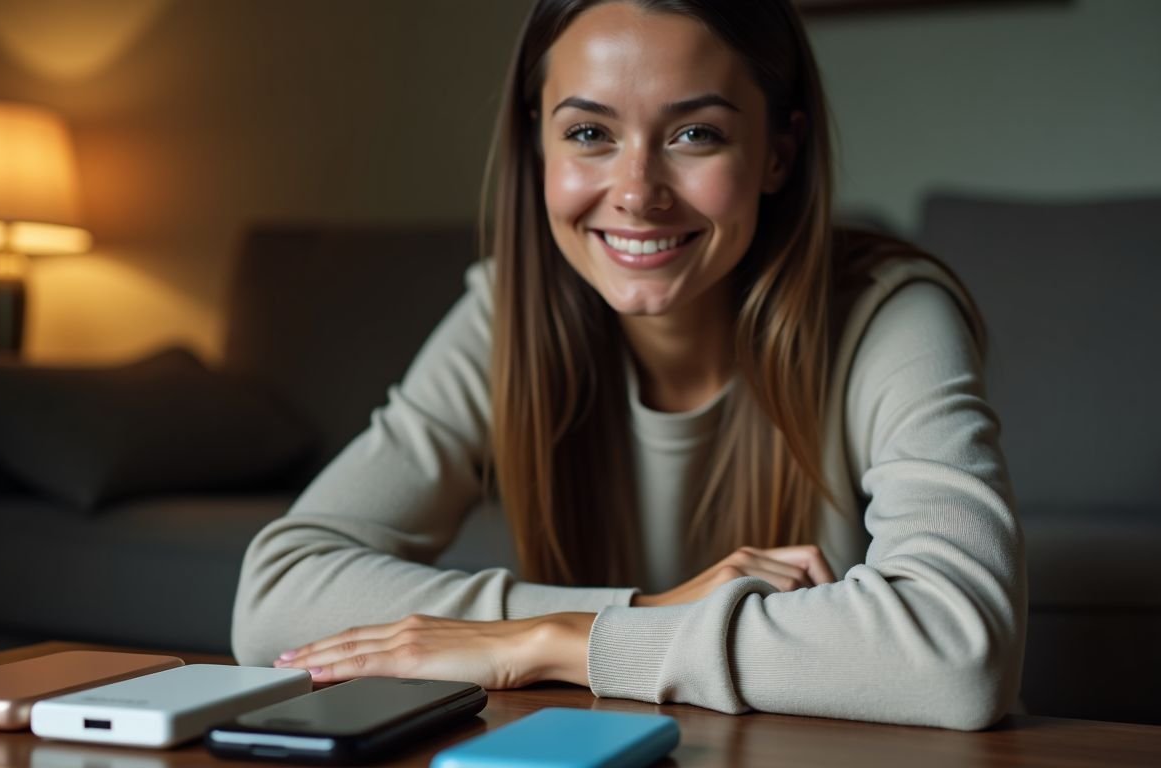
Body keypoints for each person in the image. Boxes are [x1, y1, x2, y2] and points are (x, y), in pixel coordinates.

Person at [231, 0, 1026, 731]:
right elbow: (276, 598)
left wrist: (553, 641)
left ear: (779, 152)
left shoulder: (891, 314)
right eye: (588, 134)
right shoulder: (507, 316)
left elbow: (958, 654)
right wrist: (646, 610)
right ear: (536, 139)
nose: (637, 192)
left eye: (695, 134)